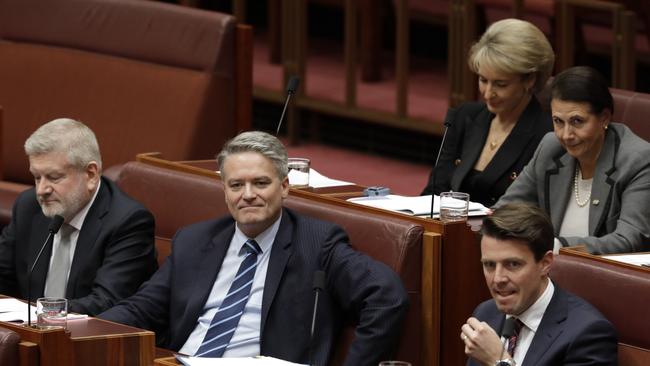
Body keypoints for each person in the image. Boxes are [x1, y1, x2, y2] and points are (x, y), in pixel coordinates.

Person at [99, 131, 408, 366]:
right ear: (224, 190)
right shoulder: (195, 241)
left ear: (284, 186)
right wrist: (79, 326)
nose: (248, 195)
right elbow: (141, 309)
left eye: (260, 183)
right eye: (236, 185)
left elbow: (387, 296)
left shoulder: (316, 243)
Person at [0, 118, 157, 316]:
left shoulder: (128, 221)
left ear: (90, 174)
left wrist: (39, 313)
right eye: (37, 177)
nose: (41, 190)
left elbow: (106, 302)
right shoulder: (28, 206)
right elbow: (3, 275)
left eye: (54, 177)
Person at [497, 66, 650, 254]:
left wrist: (557, 246)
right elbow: (505, 209)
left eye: (577, 121)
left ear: (604, 118)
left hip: (602, 275)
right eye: (558, 122)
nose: (566, 135)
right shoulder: (551, 147)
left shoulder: (637, 160)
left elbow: (629, 240)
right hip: (548, 270)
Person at [461, 202, 617, 366]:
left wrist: (498, 361)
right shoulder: (486, 313)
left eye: (513, 264)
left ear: (545, 263)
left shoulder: (587, 334)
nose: (498, 279)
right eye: (490, 265)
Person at [422, 18, 555, 207]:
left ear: (529, 80)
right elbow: (433, 193)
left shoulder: (546, 135)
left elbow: (534, 211)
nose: (488, 93)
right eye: (483, 80)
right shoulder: (465, 116)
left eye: (501, 84)